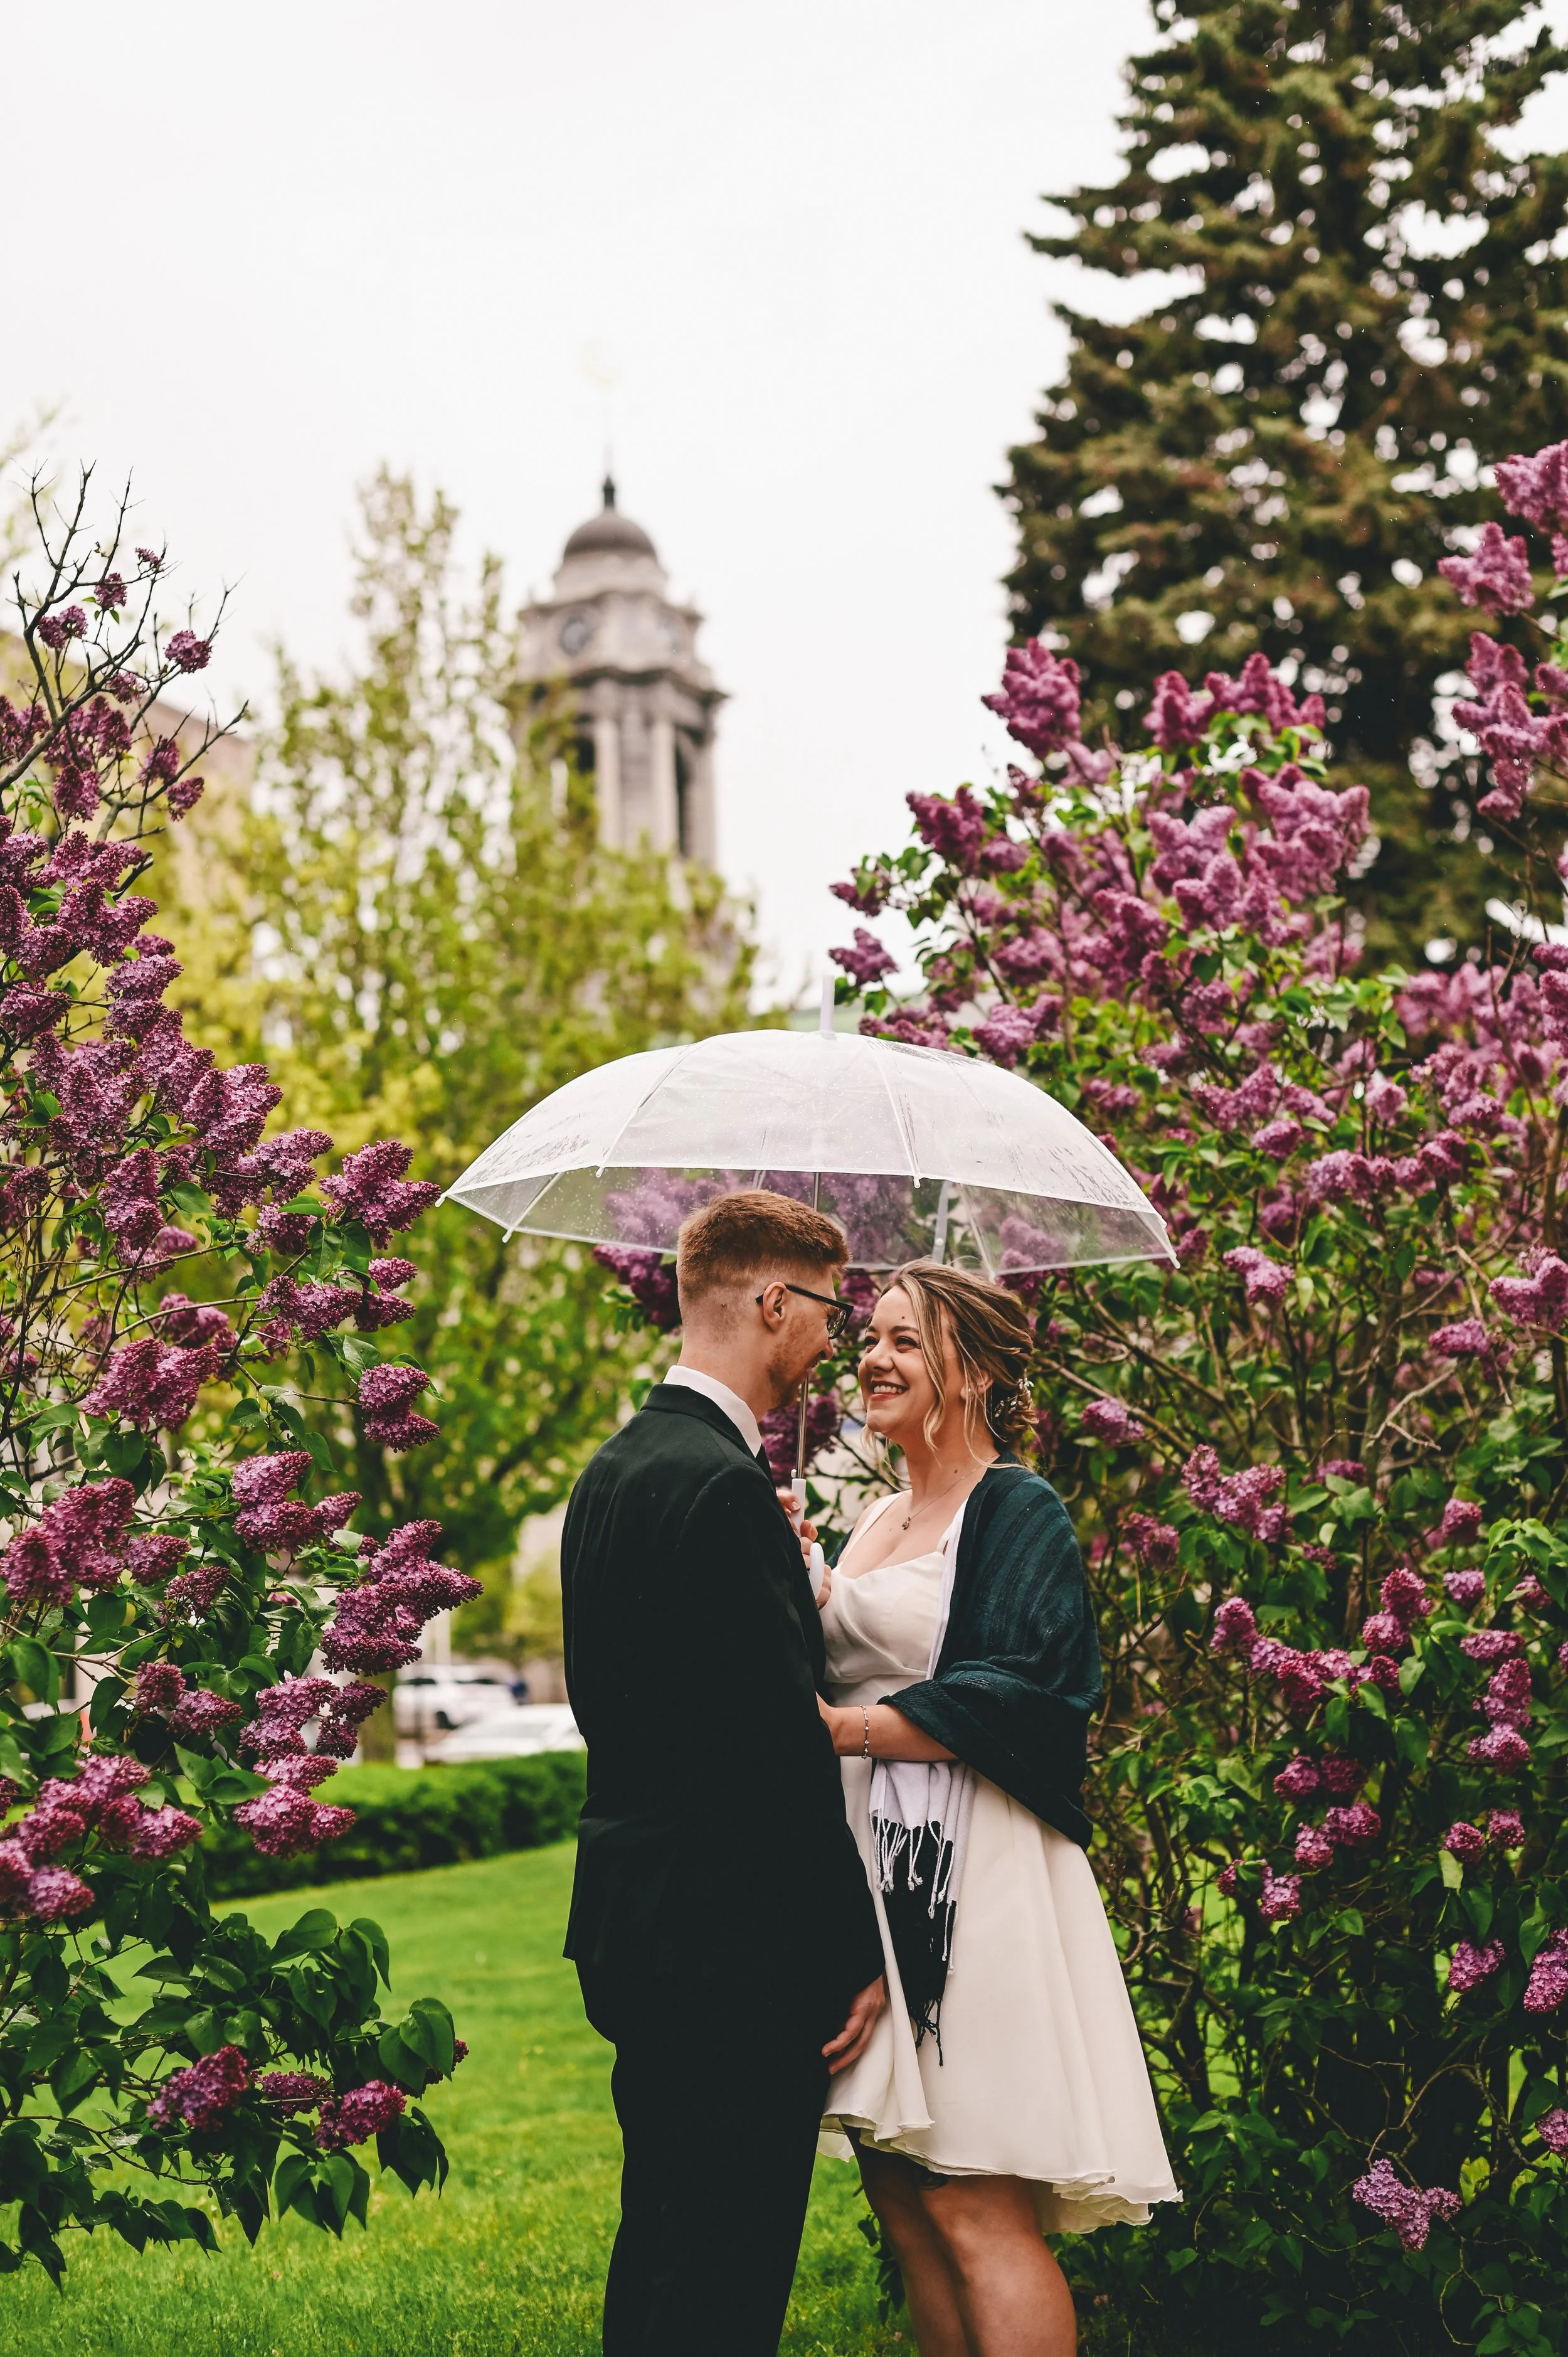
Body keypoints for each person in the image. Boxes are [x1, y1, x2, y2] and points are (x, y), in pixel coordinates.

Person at [815, 1262, 1179, 2357]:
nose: (872, 1359)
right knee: (903, 2199)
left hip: (973, 1880)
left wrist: (842, 1730)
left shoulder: (1015, 1508)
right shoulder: (876, 1514)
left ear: (969, 1372)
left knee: (976, 2200)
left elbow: (1032, 1691)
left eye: (905, 1343)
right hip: (871, 1874)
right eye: (869, 1338)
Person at [561, 1189, 888, 2357]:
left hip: (634, 1920)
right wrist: (853, 1950)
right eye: (829, 1313)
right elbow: (773, 1751)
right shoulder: (719, 1486)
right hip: (728, 1941)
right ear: (770, 1301)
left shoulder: (620, 1469)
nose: (832, 1341)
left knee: (662, 2236)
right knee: (726, 2272)